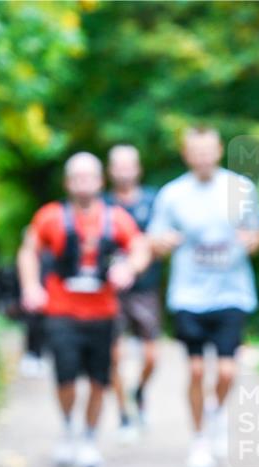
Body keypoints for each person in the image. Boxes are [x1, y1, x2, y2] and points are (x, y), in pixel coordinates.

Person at [18, 152, 150, 467]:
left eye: (89, 177)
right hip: (61, 311)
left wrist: (129, 269)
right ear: (67, 183)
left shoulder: (115, 218)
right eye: (76, 177)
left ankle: (89, 438)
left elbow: (140, 247)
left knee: (98, 381)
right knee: (65, 378)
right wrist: (31, 287)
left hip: (103, 313)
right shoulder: (50, 216)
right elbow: (28, 251)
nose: (83, 183)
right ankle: (67, 430)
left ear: (99, 180)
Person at [149, 126, 259, 467]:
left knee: (227, 371)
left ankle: (215, 414)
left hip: (231, 291)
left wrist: (251, 242)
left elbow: (258, 235)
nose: (202, 157)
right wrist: (162, 242)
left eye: (207, 150)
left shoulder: (240, 189)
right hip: (189, 294)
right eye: (195, 151)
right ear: (186, 154)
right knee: (197, 370)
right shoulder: (172, 194)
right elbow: (153, 240)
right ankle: (200, 439)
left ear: (218, 151)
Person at [104, 144, 161, 439]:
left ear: (137, 169)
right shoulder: (102, 205)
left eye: (129, 166)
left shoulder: (154, 201)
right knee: (113, 356)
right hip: (110, 292)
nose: (124, 172)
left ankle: (138, 393)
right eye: (118, 166)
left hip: (146, 288)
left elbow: (163, 238)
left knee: (152, 356)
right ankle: (124, 415)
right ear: (110, 170)